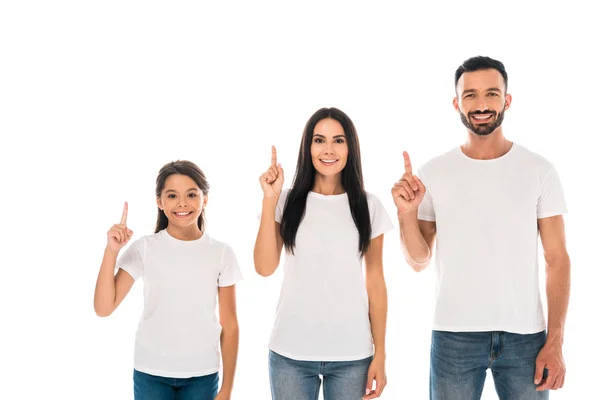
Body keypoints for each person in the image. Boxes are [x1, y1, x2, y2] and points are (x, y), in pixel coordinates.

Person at [392, 56, 570, 399]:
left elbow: (557, 259)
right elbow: (418, 260)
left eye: (491, 93)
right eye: (470, 95)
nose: (482, 104)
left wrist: (556, 340)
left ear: (507, 100)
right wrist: (406, 214)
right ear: (457, 103)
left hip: (526, 337)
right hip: (453, 337)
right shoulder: (435, 172)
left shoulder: (538, 170)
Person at [254, 107, 394, 400]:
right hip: (290, 352)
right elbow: (264, 267)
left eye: (338, 141)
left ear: (350, 148)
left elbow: (376, 283)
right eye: (319, 140)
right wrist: (270, 200)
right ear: (308, 147)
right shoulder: (286, 201)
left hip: (352, 355)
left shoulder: (369, 206)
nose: (328, 149)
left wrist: (380, 354)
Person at [93, 160, 242, 400]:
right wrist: (112, 251)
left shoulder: (221, 253)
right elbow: (103, 307)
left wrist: (226, 389)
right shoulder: (145, 248)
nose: (182, 203)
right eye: (172, 196)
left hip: (202, 375)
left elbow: (231, 325)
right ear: (159, 202)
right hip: (150, 373)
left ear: (205, 199)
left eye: (191, 194)